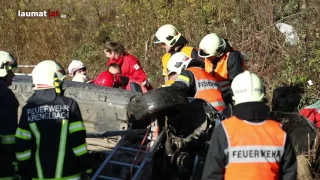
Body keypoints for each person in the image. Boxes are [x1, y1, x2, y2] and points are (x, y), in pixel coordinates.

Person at [201, 71, 297, 180]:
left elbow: (212, 175)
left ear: (234, 96)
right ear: (263, 94)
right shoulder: (280, 132)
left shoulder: (225, 131)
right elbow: (289, 175)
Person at [15, 60, 92, 179]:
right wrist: (88, 168)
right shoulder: (69, 105)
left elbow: (22, 148)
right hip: (70, 175)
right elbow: (79, 145)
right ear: (55, 80)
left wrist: (23, 172)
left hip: (38, 176)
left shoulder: (28, 109)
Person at [198, 33, 246, 106]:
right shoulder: (206, 56)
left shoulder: (232, 57)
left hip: (231, 96)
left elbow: (236, 84)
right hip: (212, 96)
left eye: (210, 57)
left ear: (219, 51)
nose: (208, 59)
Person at [0, 51, 19, 179]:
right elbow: (9, 137)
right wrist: (15, 164)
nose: (13, 75)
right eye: (11, 71)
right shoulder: (5, 96)